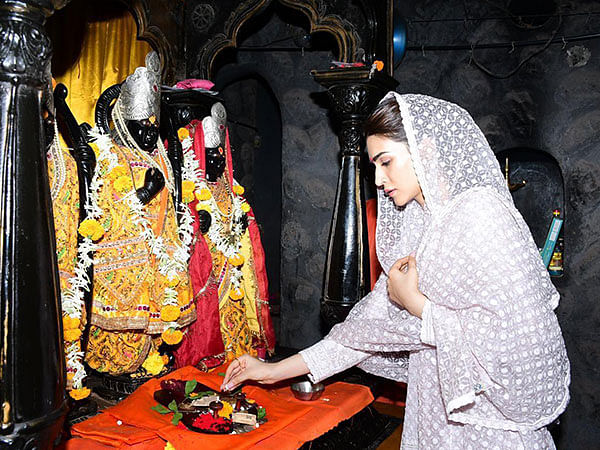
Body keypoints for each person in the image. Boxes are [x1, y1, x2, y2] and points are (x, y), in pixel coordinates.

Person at [222, 93, 570, 449]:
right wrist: (271, 371)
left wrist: (416, 304)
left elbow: (518, 343)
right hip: (434, 418)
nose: (377, 178)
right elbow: (363, 332)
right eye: (374, 165)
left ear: (427, 150)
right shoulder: (415, 223)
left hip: (488, 428)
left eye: (386, 162)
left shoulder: (481, 215)